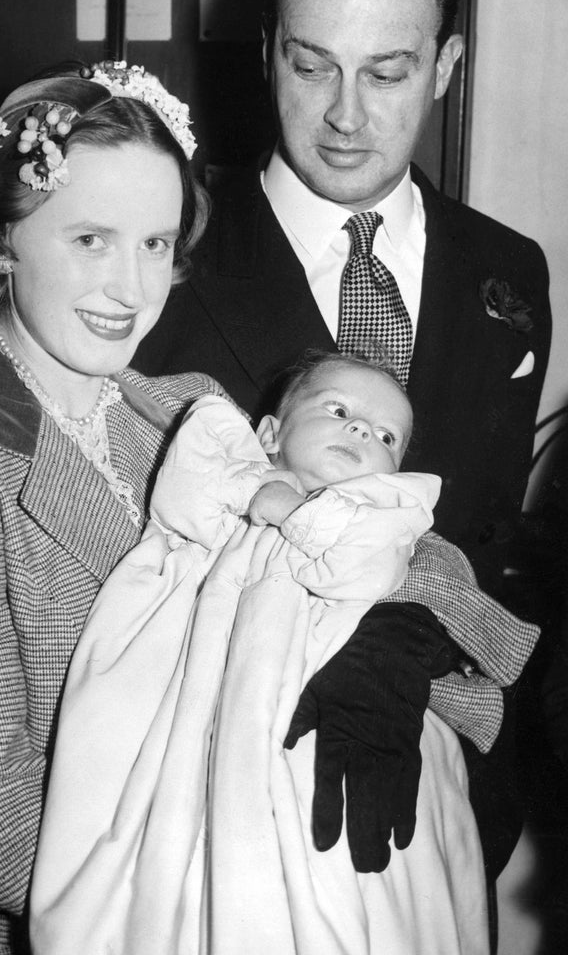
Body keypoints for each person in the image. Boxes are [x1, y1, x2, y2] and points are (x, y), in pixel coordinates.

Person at [0, 60, 227, 954]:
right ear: (1, 243)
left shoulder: (194, 414)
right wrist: (232, 881)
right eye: (91, 239)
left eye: (154, 244)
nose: (132, 289)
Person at [30, 351, 538, 955]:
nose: (360, 432)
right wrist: (265, 493)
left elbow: (376, 567)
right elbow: (188, 483)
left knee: (353, 864)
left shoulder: (390, 517)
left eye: (385, 437)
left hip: (328, 712)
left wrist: (309, 520)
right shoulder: (226, 459)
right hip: (199, 688)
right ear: (269, 432)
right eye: (340, 410)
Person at [134, 0, 551, 605]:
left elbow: (488, 539)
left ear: (445, 67)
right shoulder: (166, 250)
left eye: (386, 74)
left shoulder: (509, 268)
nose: (345, 116)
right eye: (312, 66)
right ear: (269, 54)